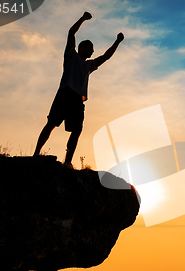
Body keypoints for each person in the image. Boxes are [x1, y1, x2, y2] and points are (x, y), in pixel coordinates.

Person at [33, 11, 124, 166]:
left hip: (77, 100)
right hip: (64, 95)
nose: (92, 51)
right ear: (81, 47)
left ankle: (67, 161)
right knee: (51, 124)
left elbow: (105, 56)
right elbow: (71, 32)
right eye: (90, 48)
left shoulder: (89, 65)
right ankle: (36, 154)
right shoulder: (71, 55)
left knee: (77, 130)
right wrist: (82, 18)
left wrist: (117, 42)